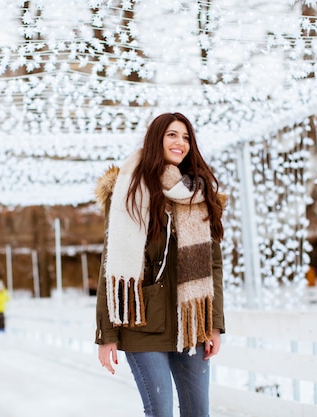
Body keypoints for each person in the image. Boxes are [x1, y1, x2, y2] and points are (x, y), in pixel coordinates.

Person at [94, 112, 226, 417]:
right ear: (157, 139)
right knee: (161, 411)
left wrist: (214, 324)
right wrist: (106, 334)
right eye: (172, 135)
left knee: (198, 412)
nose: (180, 142)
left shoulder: (200, 194)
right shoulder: (128, 191)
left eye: (186, 137)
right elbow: (109, 264)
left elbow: (213, 265)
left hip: (191, 323)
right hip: (141, 323)